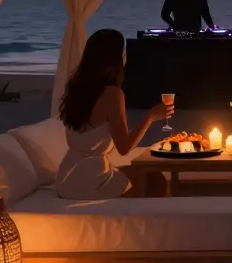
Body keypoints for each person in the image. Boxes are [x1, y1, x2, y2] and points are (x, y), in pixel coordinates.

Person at [55, 29, 172, 199]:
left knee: (137, 172)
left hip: (66, 179)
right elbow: (124, 147)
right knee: (155, 180)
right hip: (90, 181)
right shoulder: (112, 94)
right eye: (123, 52)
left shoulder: (76, 89)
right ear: (115, 59)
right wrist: (151, 116)